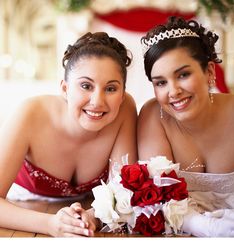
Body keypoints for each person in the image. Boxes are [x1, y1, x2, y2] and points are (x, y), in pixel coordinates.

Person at [0, 32, 137, 237]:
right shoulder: (30, 113)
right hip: (24, 208)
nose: (97, 101)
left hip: (84, 211)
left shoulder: (125, 108)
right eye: (85, 86)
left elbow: (123, 192)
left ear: (123, 92)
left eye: (110, 88)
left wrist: (93, 216)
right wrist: (51, 224)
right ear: (64, 89)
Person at [138, 16, 234, 236]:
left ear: (209, 72)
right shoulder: (153, 116)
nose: (173, 91)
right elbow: (156, 194)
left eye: (183, 75)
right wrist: (205, 227)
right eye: (161, 82)